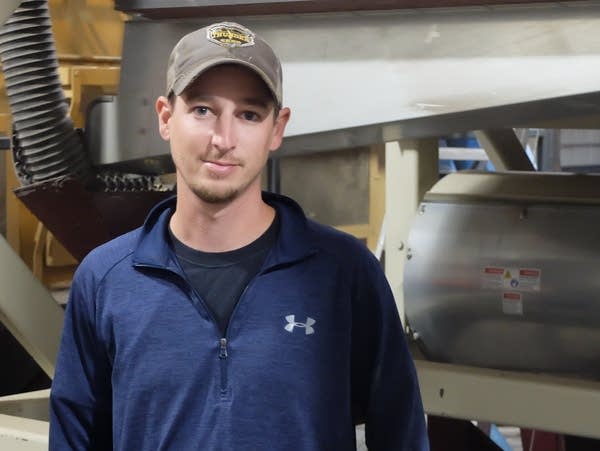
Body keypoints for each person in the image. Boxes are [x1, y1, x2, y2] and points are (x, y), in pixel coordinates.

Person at [49, 21, 429, 450]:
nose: (223, 139)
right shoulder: (105, 280)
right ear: (165, 117)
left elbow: (400, 432)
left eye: (248, 115)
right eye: (202, 110)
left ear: (277, 128)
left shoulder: (344, 273)